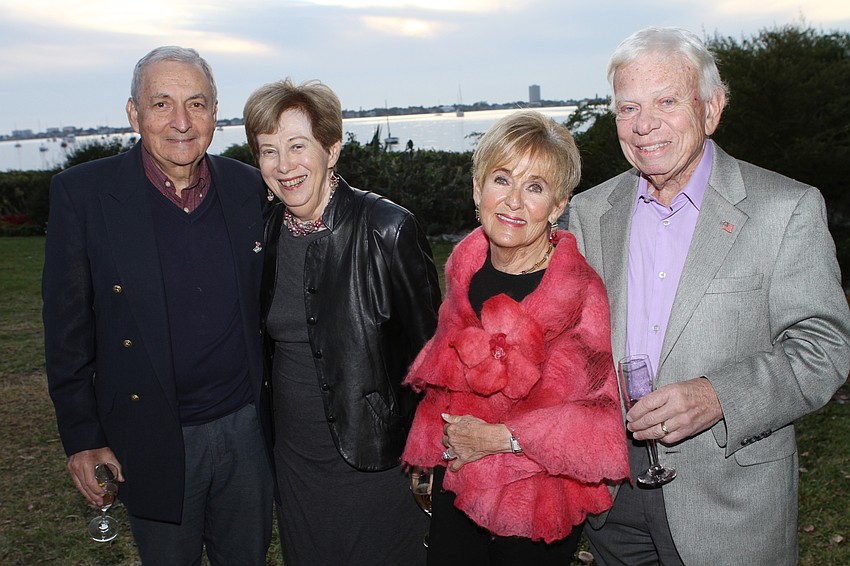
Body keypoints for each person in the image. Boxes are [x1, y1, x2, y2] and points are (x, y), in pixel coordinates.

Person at [568, 26, 850, 566]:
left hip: (730, 510)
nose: (644, 125)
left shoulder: (783, 209)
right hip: (614, 504)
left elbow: (823, 349)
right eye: (628, 108)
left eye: (666, 102)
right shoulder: (588, 212)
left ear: (711, 108)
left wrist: (719, 395)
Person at [42, 46, 274, 564]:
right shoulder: (84, 195)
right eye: (161, 103)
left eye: (197, 104)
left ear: (216, 112)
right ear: (133, 113)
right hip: (150, 436)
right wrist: (82, 437)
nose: (181, 122)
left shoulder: (250, 188)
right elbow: (66, 331)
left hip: (247, 431)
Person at [402, 110, 630, 566]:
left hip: (537, 493)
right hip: (460, 478)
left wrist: (504, 438)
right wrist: (431, 456)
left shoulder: (580, 293)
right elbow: (446, 376)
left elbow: (600, 422)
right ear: (477, 189)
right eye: (502, 179)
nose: (513, 202)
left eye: (535, 187)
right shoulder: (464, 270)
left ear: (559, 205)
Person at [242, 78, 442, 566]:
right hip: (294, 463)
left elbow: (435, 355)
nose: (284, 166)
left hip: (376, 459)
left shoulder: (388, 229)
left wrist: (431, 454)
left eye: (297, 146)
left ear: (331, 148)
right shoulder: (263, 230)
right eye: (269, 151)